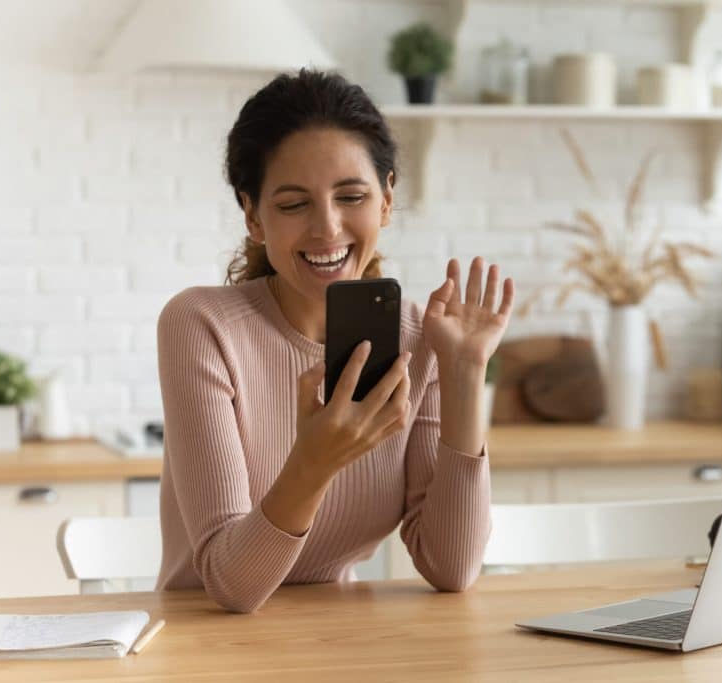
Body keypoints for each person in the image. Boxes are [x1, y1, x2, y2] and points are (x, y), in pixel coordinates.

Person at [155, 69, 514, 613]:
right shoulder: (202, 325)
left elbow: (452, 567)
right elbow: (231, 585)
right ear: (252, 214)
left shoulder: (423, 340)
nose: (327, 228)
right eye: (294, 204)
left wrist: (464, 374)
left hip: (339, 647)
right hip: (204, 643)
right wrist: (315, 460)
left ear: (387, 200)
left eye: (351, 196)